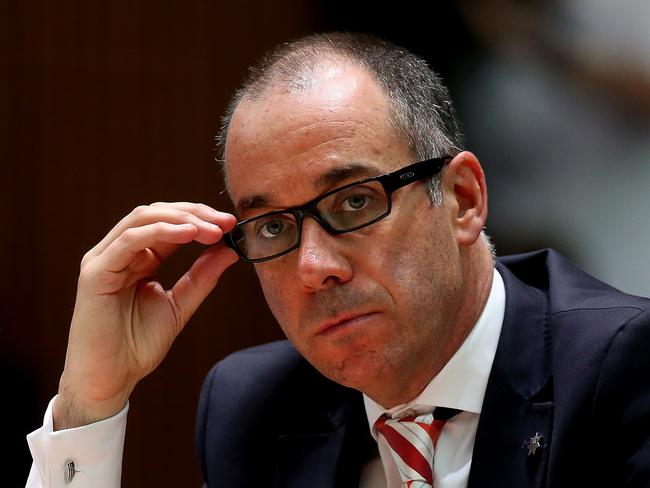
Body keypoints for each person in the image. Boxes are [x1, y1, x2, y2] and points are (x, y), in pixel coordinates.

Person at [26, 33, 650, 487]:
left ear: (462, 200)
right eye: (273, 227)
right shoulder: (254, 411)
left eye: (354, 202)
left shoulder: (623, 371)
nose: (314, 267)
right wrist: (90, 404)